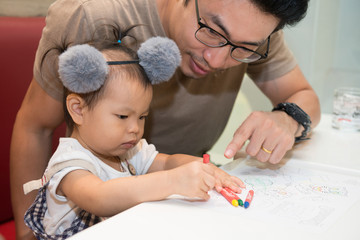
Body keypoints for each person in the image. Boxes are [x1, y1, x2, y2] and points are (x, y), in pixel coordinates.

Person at [10, 0, 321, 239]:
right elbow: (35, 126)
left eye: (242, 49)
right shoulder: (93, 14)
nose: (217, 60)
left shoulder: (254, 30)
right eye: (212, 31)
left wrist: (287, 119)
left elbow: (303, 95)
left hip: (161, 214)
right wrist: (26, 234)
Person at [22, 34, 245, 239]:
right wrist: (173, 181)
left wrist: (202, 167)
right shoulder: (70, 164)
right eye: (122, 116)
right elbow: (100, 198)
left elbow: (167, 162)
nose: (135, 129)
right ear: (78, 110)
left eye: (142, 117)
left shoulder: (129, 150)